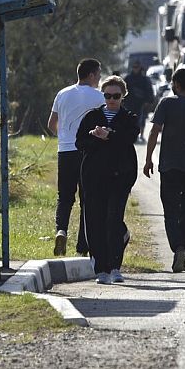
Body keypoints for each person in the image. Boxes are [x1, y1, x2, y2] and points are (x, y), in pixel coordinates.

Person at [143, 68, 185, 273]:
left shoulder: (166, 103)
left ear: (176, 84)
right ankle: (183, 250)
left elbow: (155, 131)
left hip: (169, 166)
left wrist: (148, 159)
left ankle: (178, 248)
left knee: (171, 211)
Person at [76, 76, 139, 284]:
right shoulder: (92, 116)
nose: (111, 100)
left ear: (123, 96)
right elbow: (80, 142)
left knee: (113, 220)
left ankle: (115, 267)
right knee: (95, 221)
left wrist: (109, 135)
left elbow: (128, 138)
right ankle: (100, 268)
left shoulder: (128, 118)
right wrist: (95, 137)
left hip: (120, 178)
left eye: (116, 96)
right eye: (107, 95)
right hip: (94, 178)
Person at [47, 58, 104, 256]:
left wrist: (63, 136)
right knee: (87, 198)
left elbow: (51, 123)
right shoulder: (99, 97)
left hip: (65, 151)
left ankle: (61, 230)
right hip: (87, 152)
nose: (99, 78)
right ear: (90, 74)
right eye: (98, 74)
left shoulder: (62, 94)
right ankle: (82, 246)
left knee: (64, 197)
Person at [124, 61, 154, 142]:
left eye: (137, 67)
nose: (135, 69)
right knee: (130, 120)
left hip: (142, 103)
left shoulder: (145, 79)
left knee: (142, 120)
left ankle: (141, 135)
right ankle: (132, 135)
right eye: (134, 67)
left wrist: (149, 101)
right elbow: (123, 90)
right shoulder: (128, 78)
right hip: (130, 103)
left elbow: (149, 91)